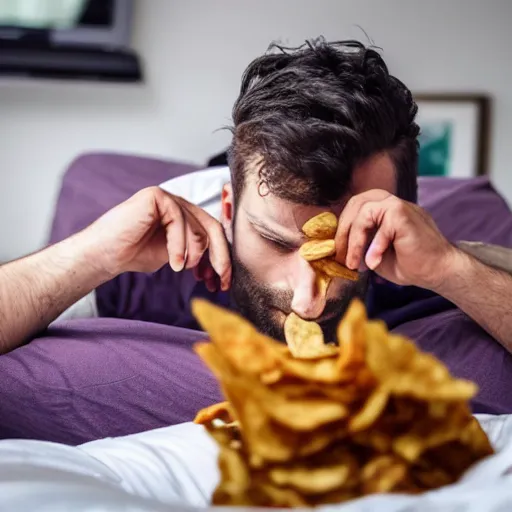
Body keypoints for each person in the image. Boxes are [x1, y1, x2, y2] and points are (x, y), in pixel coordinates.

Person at [1, 39, 512, 444]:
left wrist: (451, 269)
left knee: (471, 205)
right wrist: (89, 254)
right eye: (276, 242)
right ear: (227, 213)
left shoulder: (421, 262)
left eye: (340, 254)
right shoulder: (156, 263)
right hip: (204, 196)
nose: (309, 300)